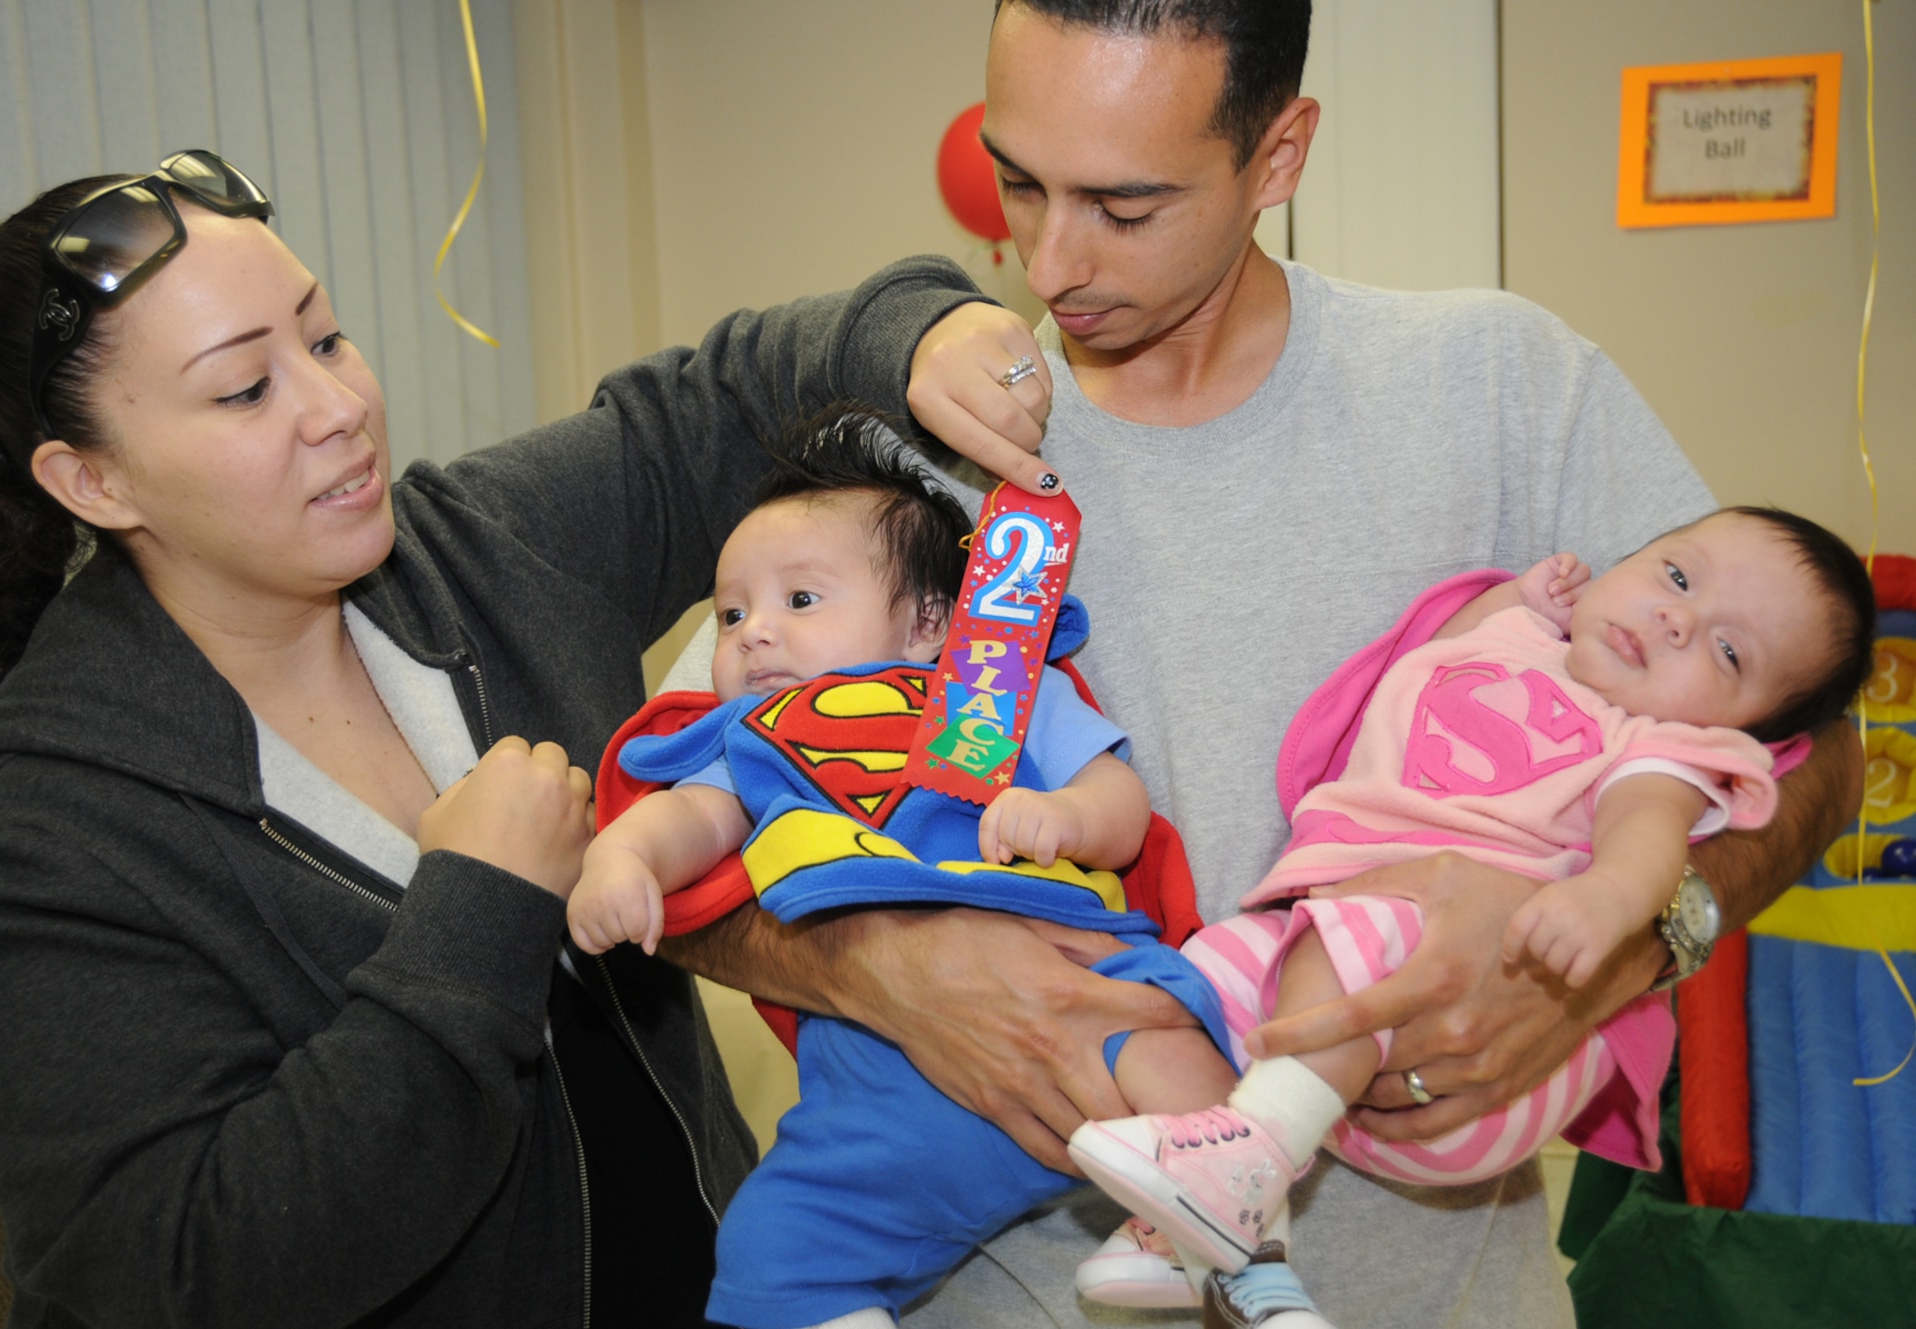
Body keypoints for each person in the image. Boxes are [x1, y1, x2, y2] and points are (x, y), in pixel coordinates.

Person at [665, 4, 1862, 1326]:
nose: (1048, 260)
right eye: (1019, 182)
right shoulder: (914, 455)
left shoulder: (1499, 384)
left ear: (1279, 156)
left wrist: (1631, 949)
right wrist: (871, 967)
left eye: (1124, 208)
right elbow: (656, 808)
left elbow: (1817, 755)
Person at [0, 151, 1006, 1327]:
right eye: (245, 391)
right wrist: (478, 908)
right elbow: (200, 1270)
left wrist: (924, 336)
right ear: (92, 480)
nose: (340, 408)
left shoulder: (479, 555)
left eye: (324, 340)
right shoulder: (17, 851)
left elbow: (723, 404)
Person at [1067, 509, 1875, 1313]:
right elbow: (1440, 645)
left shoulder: (1656, 747)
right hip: (1346, 1017)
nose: (1676, 617)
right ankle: (1234, 1244)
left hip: (1467, 1070)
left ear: (1749, 733)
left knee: (1358, 930)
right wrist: (1522, 595)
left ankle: (1251, 1156)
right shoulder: (1521, 635)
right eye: (1675, 574)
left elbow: (1647, 841)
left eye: (1727, 651)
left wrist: (1606, 900)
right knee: (1191, 984)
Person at [570, 414, 1231, 1327]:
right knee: (768, 1254)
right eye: (730, 614)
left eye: (801, 600)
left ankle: (1198, 1219)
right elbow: (686, 816)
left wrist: (1066, 815)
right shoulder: (754, 737)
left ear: (930, 622)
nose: (755, 634)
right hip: (878, 1092)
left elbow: (1120, 800)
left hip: (1077, 978)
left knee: (1182, 1027)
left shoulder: (992, 692)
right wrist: (622, 857)